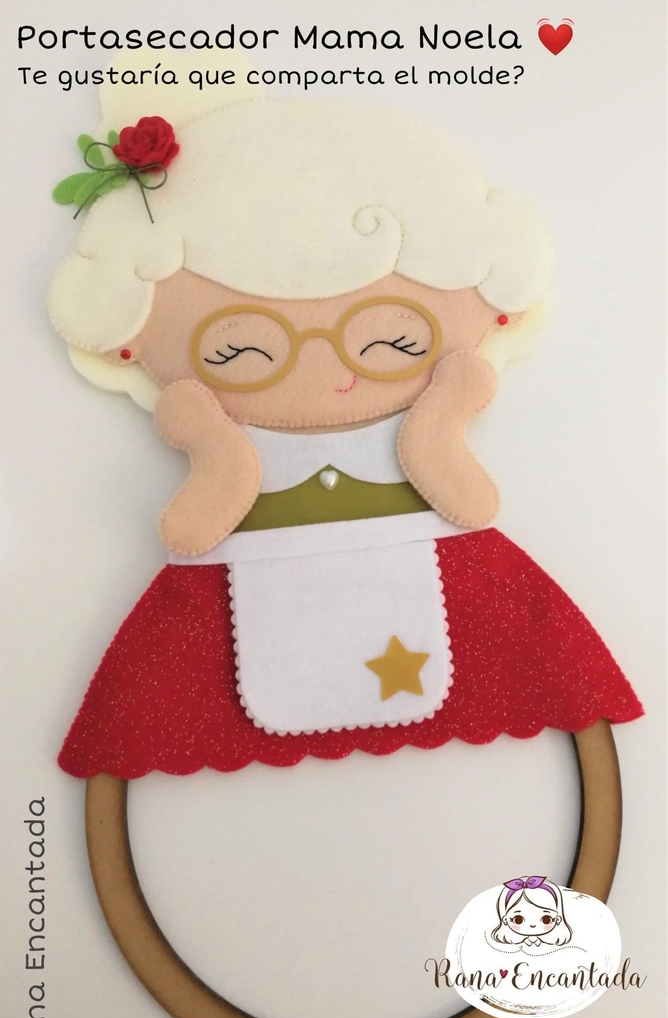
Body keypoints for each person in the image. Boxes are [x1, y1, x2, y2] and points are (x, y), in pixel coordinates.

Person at [48, 60, 642, 780]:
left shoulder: (433, 414)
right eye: (242, 350)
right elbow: (195, 525)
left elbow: (468, 499)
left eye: (391, 339)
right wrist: (209, 442)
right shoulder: (212, 422)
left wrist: (443, 412)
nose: (329, 368)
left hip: (441, 568)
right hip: (235, 590)